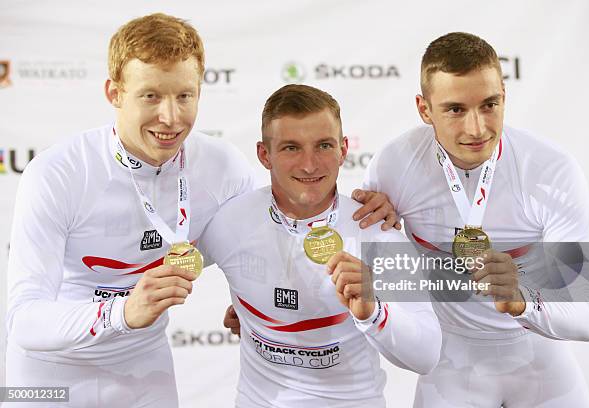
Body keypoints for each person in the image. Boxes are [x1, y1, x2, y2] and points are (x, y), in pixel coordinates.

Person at [5, 14, 396, 408]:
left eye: (184, 96)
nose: (171, 118)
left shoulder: (221, 166)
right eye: (151, 96)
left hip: (144, 369)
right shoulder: (60, 172)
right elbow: (24, 321)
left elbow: (273, 231)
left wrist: (375, 215)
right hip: (47, 374)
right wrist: (121, 312)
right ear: (114, 93)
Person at [362, 32, 589, 407]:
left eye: (489, 104)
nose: (477, 129)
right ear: (424, 110)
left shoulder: (551, 169)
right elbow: (382, 285)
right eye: (455, 109)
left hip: (539, 359)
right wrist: (390, 237)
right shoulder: (395, 164)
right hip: (452, 362)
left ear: (504, 96)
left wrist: (524, 300)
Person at [203, 84, 442, 407]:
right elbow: (157, 263)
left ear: (344, 149)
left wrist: (374, 312)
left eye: (324, 146)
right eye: (291, 148)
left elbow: (427, 355)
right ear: (264, 155)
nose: (310, 165)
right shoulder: (228, 222)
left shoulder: (377, 231)